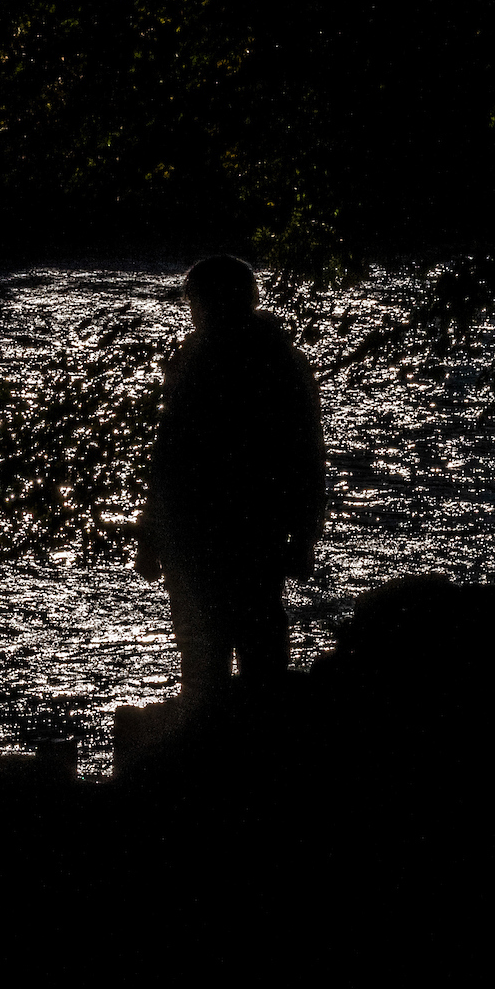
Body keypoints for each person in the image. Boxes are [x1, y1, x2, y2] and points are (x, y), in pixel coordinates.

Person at [133, 255, 325, 704]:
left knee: (218, 657)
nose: (197, 312)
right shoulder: (277, 360)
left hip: (218, 531)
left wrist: (151, 533)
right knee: (240, 653)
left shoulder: (210, 362)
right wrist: (304, 535)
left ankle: (220, 753)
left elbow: (169, 458)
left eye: (198, 302)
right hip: (242, 529)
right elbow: (307, 459)